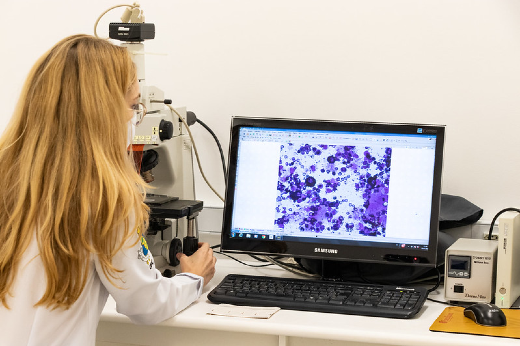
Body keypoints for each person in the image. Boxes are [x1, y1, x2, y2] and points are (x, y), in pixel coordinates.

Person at [0, 34, 216, 346]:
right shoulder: (104, 198)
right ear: (103, 112)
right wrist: (192, 278)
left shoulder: (10, 178)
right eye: (132, 106)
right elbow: (145, 304)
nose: (135, 117)